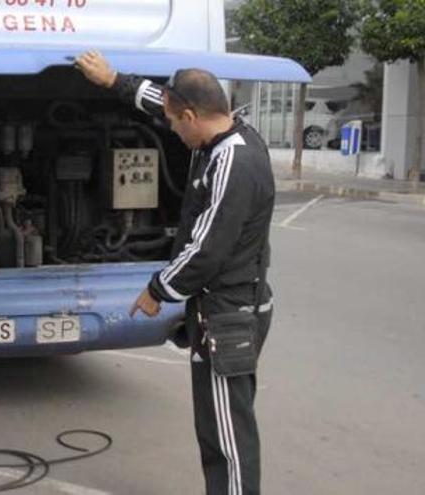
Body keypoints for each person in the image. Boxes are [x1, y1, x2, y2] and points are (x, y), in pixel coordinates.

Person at [75, 50, 275, 495]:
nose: (171, 131)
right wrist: (114, 81)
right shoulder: (225, 130)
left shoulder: (233, 163)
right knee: (216, 428)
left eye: (174, 123)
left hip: (230, 313)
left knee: (228, 437)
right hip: (220, 308)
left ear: (191, 115)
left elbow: (206, 250)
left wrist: (156, 290)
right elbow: (160, 103)